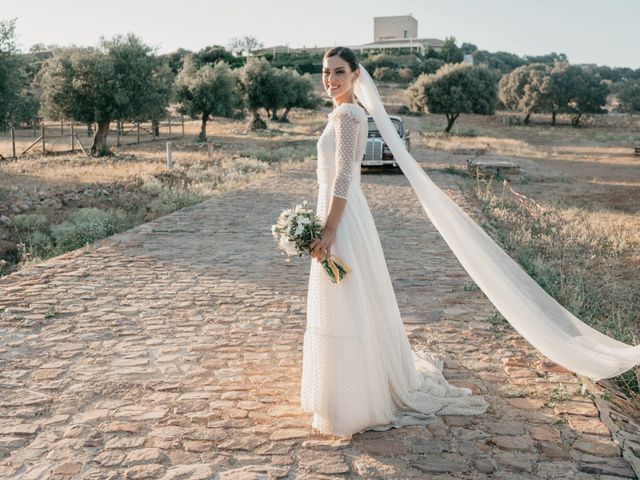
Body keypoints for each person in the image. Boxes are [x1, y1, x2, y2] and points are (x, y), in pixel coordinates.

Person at [300, 46, 490, 438]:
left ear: (355, 76)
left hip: (343, 217)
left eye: (338, 72)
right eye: (325, 72)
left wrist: (331, 229)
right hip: (332, 211)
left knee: (348, 296)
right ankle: (339, 388)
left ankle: (356, 397)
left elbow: (344, 178)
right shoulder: (337, 114)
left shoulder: (351, 115)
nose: (330, 79)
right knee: (341, 297)